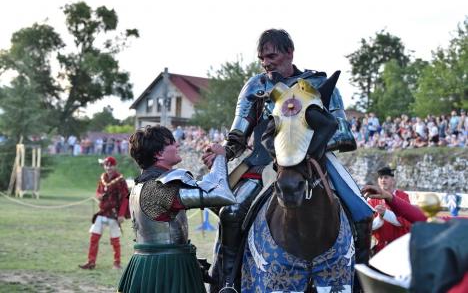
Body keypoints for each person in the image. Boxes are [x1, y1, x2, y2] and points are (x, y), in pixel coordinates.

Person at [203, 28, 373, 292]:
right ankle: (227, 282)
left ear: (289, 53)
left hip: (317, 162)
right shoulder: (256, 86)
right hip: (264, 162)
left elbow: (342, 132)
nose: (266, 63)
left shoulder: (319, 83)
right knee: (232, 213)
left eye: (272, 56)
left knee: (362, 213)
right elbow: (238, 134)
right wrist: (223, 151)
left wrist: (304, 148)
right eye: (262, 58)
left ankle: (362, 283)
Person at [117, 125, 236, 293]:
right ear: (158, 154)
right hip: (167, 267)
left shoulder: (141, 186)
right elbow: (222, 195)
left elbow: (212, 201)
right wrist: (220, 159)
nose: (177, 145)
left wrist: (214, 169)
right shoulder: (158, 188)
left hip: (146, 264)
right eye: (171, 143)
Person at [79, 156, 129, 270]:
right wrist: (99, 196)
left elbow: (126, 198)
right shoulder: (103, 178)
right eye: (106, 165)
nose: (108, 168)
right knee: (94, 237)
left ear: (115, 166)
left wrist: (121, 214)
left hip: (114, 213)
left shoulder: (120, 180)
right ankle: (91, 262)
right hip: (102, 212)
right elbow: (98, 191)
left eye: (110, 165)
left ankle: (117, 263)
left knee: (115, 240)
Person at [366, 166, 411, 254]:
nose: (383, 180)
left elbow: (405, 221)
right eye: (381, 178)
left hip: (400, 247)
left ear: (393, 180)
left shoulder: (403, 197)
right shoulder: (372, 200)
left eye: (386, 177)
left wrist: (385, 214)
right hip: (380, 249)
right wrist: (379, 218)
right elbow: (368, 227)